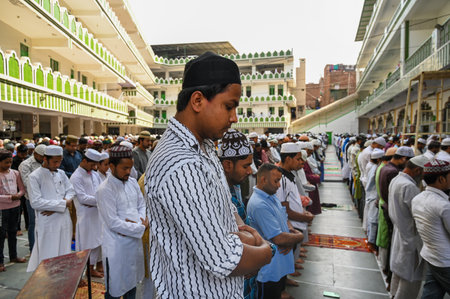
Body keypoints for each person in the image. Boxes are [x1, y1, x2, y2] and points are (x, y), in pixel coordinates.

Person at [146, 52, 272, 298]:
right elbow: (223, 259)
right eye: (229, 106)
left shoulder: (203, 146)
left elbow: (224, 207)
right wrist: (267, 251)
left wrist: (243, 229)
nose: (234, 118)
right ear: (197, 101)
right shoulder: (180, 163)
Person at [96, 145, 148, 299]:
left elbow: (142, 204)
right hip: (116, 247)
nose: (128, 172)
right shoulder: (105, 189)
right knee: (115, 289)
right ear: (111, 166)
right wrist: (139, 227)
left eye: (130, 168)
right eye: (124, 168)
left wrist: (139, 221)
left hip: (133, 244)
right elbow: (113, 222)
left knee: (131, 285)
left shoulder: (132, 182)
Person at [247, 164, 303, 299]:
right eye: (276, 181)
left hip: (277, 265)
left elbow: (284, 217)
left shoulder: (271, 196)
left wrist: (289, 233)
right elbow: (278, 238)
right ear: (263, 180)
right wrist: (298, 236)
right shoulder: (259, 204)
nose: (279, 186)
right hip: (268, 269)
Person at [219, 129, 258, 299]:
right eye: (246, 166)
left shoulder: (235, 185)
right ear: (227, 165)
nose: (250, 171)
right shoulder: (217, 195)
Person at [27, 145, 75, 272]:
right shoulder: (34, 177)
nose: (58, 164)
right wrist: (63, 204)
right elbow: (36, 202)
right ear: (45, 159)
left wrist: (58, 206)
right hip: (48, 222)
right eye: (55, 161)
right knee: (48, 253)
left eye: (59, 161)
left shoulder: (62, 173)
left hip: (64, 219)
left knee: (64, 250)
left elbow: (71, 191)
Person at [388, 156, 428, 299]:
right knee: (409, 281)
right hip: (410, 237)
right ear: (418, 170)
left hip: (401, 233)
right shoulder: (409, 187)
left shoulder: (397, 180)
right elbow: (418, 214)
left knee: (399, 274)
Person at [411, 160, 450, 298]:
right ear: (441, 179)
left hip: (431, 256)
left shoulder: (417, 198)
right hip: (445, 261)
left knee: (431, 295)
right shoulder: (443, 206)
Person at [377, 146, 414, 287]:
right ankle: (389, 273)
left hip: (386, 207)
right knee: (391, 242)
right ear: (403, 159)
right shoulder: (392, 172)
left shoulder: (385, 168)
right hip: (391, 209)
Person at [70, 149, 104, 278]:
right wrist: (101, 200)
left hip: (97, 214)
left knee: (97, 242)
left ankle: (93, 267)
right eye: (92, 164)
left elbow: (101, 190)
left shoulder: (94, 174)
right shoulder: (76, 176)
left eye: (96, 164)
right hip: (86, 215)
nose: (94, 167)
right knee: (87, 244)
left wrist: (102, 198)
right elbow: (82, 198)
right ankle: (87, 269)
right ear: (84, 161)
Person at [0, 149, 27, 272]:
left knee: (13, 232)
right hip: (2, 209)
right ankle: (0, 261)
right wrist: (10, 197)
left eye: (10, 162)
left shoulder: (15, 173)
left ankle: (13, 255)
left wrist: (19, 195)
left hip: (15, 206)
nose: (8, 165)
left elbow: (22, 189)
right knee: (1, 235)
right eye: (6, 162)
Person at [18, 144, 46, 252]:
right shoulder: (25, 165)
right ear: (35, 154)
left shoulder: (46, 162)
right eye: (42, 156)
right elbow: (27, 183)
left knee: (45, 223)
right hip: (32, 199)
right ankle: (33, 249)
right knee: (33, 223)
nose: (44, 159)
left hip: (46, 197)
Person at [363, 149, 384, 248]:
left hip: (371, 194)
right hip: (373, 194)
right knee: (373, 219)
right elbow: (371, 182)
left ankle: (370, 238)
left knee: (371, 218)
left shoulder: (374, 166)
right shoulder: (374, 168)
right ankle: (371, 242)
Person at [11, 144, 29, 236]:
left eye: (25, 153)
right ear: (18, 152)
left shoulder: (28, 159)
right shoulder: (13, 161)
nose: (24, 155)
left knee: (27, 208)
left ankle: (28, 225)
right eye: (22, 154)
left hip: (27, 187)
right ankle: (17, 228)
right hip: (17, 188)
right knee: (18, 209)